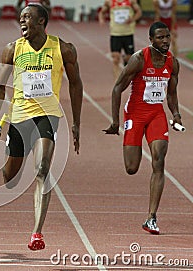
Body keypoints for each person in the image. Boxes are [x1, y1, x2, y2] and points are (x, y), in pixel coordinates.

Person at [0, 4, 83, 250]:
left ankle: (37, 233)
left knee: (42, 169)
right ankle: (12, 159)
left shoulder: (63, 49)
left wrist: (76, 122)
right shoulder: (13, 49)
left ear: (42, 22)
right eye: (20, 18)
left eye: (27, 17)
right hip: (19, 116)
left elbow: (75, 85)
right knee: (9, 177)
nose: (22, 21)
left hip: (47, 115)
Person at [103, 21, 182, 235]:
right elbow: (117, 88)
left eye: (167, 37)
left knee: (159, 159)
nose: (165, 41)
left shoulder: (172, 63)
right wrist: (115, 121)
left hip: (156, 114)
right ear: (151, 40)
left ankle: (151, 217)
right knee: (132, 168)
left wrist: (176, 114)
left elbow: (172, 94)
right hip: (135, 114)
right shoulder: (139, 59)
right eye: (160, 37)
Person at [99, 0, 142, 81]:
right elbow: (102, 12)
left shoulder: (131, 1)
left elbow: (139, 12)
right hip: (115, 34)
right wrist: (101, 19)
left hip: (128, 33)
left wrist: (132, 19)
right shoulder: (109, 2)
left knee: (129, 59)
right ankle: (117, 82)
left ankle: (126, 71)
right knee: (115, 59)